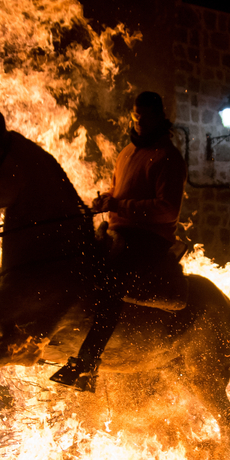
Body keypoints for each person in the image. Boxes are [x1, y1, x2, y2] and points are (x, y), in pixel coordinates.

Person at [50, 91, 187, 392]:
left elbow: (167, 210)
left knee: (110, 283)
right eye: (136, 114)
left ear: (159, 116)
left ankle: (88, 364)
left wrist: (120, 206)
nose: (139, 120)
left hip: (149, 238)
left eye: (145, 115)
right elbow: (119, 193)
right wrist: (107, 200)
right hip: (118, 231)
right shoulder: (126, 153)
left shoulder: (169, 158)